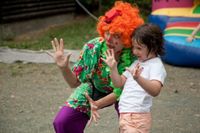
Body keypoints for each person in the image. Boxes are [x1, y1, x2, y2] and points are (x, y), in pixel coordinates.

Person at [49, 1, 144, 133]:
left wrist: (97, 104)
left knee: (131, 126)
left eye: (116, 35)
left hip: (125, 94)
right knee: (63, 122)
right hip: (95, 87)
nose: (109, 39)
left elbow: (121, 91)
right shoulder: (93, 48)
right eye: (107, 32)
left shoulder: (136, 54)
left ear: (128, 36)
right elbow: (74, 82)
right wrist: (64, 67)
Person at [101, 23, 167, 133]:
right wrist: (113, 68)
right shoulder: (137, 63)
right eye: (133, 47)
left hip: (137, 116)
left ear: (154, 47)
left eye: (139, 48)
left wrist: (138, 78)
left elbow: (155, 90)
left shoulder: (156, 65)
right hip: (125, 114)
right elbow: (119, 83)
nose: (134, 52)